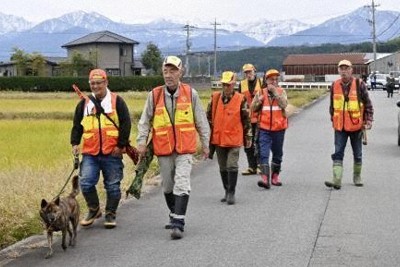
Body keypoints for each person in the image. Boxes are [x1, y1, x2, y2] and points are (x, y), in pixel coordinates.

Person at [136, 55, 210, 240]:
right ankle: (174, 212)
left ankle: (178, 223)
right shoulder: (154, 95)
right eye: (166, 71)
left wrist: (206, 144)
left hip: (185, 149)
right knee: (168, 186)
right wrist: (141, 142)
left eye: (173, 71)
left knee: (182, 183)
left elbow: (201, 121)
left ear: (181, 72)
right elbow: (144, 121)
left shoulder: (190, 93)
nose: (169, 75)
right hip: (164, 149)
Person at [71, 69, 132, 229]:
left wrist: (120, 145)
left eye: (99, 83)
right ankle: (94, 209)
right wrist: (75, 143)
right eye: (92, 84)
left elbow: (126, 124)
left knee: (112, 185)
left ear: (106, 83)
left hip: (112, 151)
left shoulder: (117, 101)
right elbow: (77, 125)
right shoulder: (84, 104)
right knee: (85, 182)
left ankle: (110, 213)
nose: (96, 86)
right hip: (90, 151)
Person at [325, 59, 374, 190]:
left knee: (357, 153)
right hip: (340, 127)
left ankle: (357, 176)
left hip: (356, 126)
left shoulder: (359, 84)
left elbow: (368, 104)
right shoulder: (334, 85)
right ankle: (337, 179)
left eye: (346, 68)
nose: (344, 71)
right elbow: (332, 107)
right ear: (338, 70)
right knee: (338, 152)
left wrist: (368, 121)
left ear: (352, 70)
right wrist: (333, 120)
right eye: (341, 69)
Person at [207, 71, 252, 205]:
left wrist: (248, 136)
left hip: (234, 139)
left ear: (234, 85)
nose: (226, 87)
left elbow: (246, 119)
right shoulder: (214, 98)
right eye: (224, 85)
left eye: (229, 85)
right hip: (218, 139)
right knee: (222, 167)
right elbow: (208, 117)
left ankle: (231, 192)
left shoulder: (240, 99)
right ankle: (226, 190)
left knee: (231, 165)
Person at [251, 69, 288, 189]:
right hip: (264, 128)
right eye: (271, 79)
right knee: (263, 153)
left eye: (276, 79)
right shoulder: (261, 92)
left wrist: (275, 93)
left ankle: (275, 177)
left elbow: (284, 105)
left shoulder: (281, 91)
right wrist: (259, 101)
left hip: (279, 128)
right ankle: (265, 179)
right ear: (266, 80)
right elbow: (253, 108)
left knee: (277, 153)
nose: (274, 81)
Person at [238, 63, 263, 175]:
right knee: (248, 143)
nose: (248, 74)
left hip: (259, 118)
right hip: (247, 119)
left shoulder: (262, 83)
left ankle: (259, 165)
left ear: (254, 71)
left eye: (250, 71)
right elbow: (238, 101)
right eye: (246, 72)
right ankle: (251, 166)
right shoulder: (241, 85)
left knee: (259, 142)